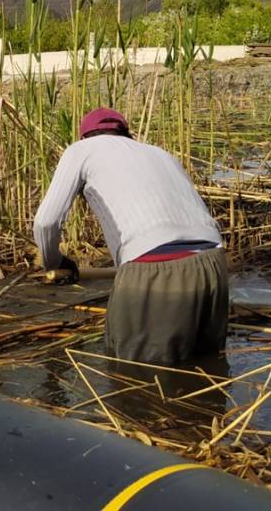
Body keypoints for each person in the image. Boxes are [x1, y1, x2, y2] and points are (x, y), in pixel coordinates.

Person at [33, 107, 228, 365]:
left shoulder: (81, 151)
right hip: (213, 266)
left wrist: (55, 263)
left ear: (85, 136)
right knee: (207, 372)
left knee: (134, 381)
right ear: (127, 134)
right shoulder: (160, 153)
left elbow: (46, 222)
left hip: (154, 269)